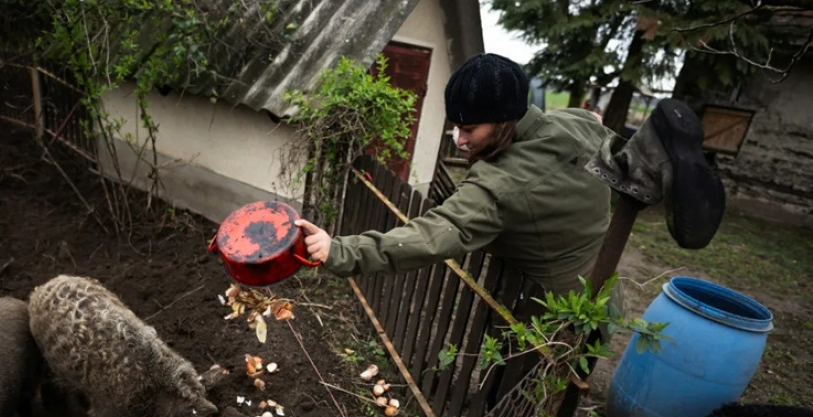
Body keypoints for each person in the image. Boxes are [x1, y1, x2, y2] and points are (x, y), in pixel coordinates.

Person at [295, 53, 724, 296]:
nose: (458, 140)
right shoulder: (575, 122)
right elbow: (606, 142)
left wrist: (340, 250)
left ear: (502, 120)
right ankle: (655, 159)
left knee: (517, 403)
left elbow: (434, 234)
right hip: (601, 291)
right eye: (457, 126)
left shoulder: (501, 185)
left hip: (545, 312)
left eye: (469, 128)